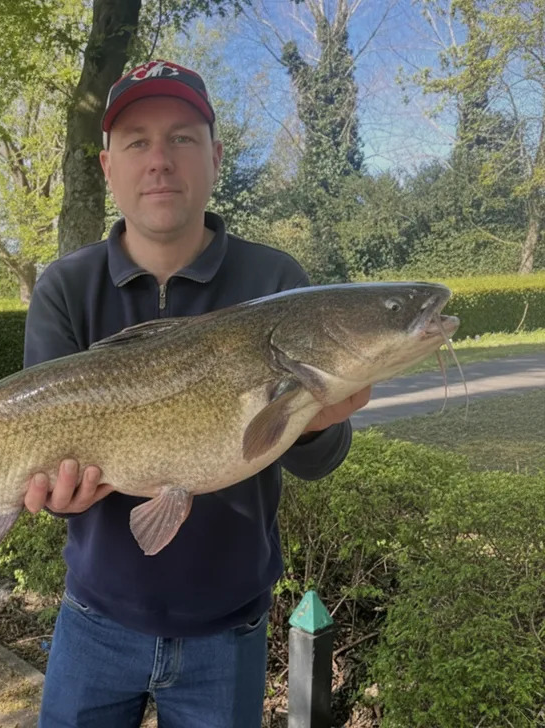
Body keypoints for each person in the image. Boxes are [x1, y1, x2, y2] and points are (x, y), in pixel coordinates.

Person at [22, 59, 371, 728]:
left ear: (213, 157)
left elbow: (316, 462)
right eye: (137, 142)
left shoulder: (278, 281)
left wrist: (317, 423)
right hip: (92, 622)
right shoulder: (64, 288)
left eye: (182, 138)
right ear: (107, 167)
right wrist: (54, 494)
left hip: (228, 634)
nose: (160, 160)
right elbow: (46, 453)